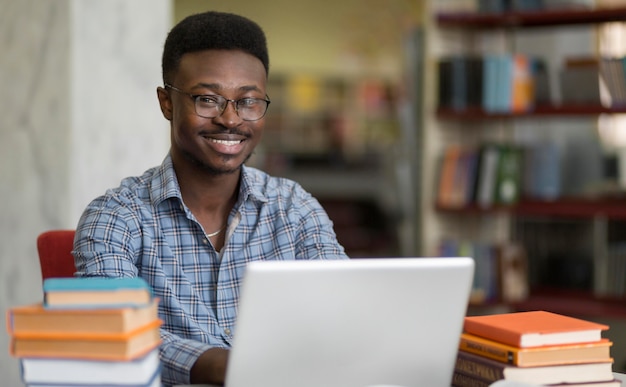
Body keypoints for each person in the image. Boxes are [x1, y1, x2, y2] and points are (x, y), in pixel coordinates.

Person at [72, 11, 349, 387]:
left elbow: (346, 313)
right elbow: (113, 331)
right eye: (208, 99)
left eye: (248, 101)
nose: (231, 119)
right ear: (167, 102)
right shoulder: (115, 218)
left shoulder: (294, 209)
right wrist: (219, 365)